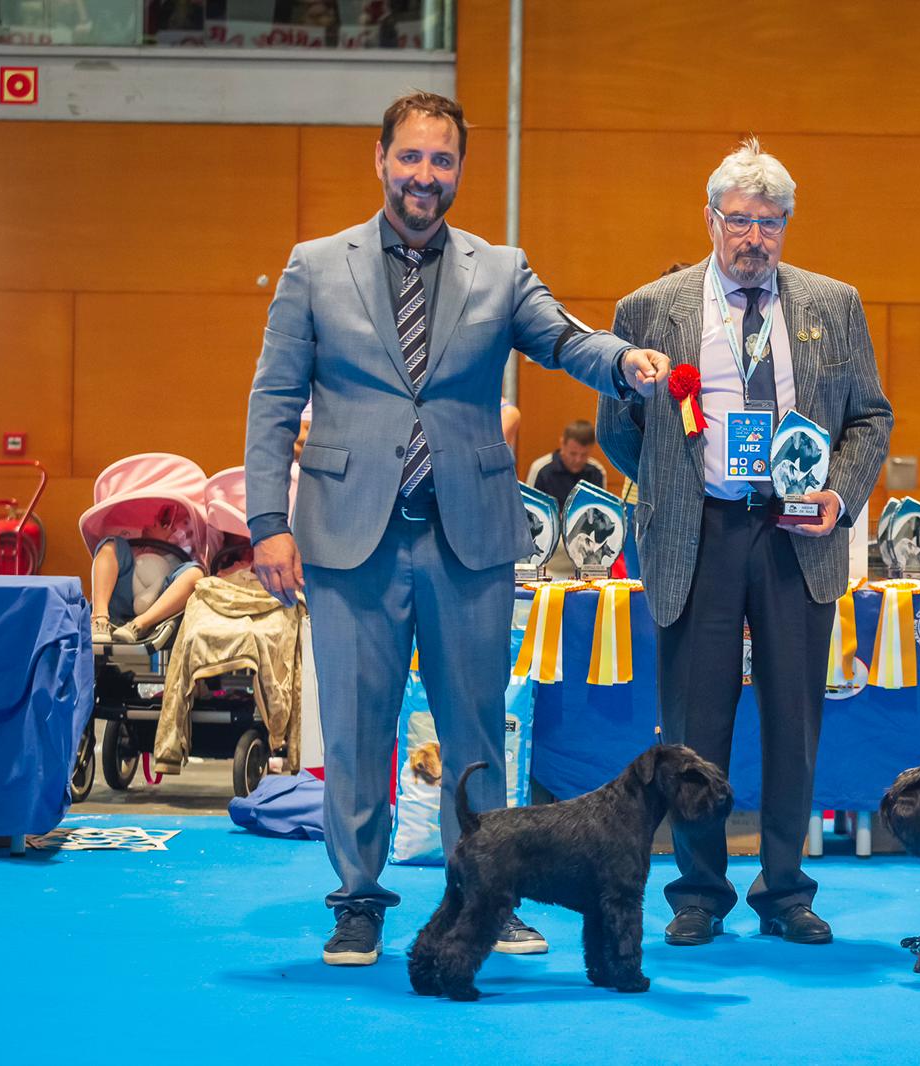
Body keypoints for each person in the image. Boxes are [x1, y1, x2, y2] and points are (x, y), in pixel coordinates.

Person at [244, 91, 669, 967]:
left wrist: (623, 361)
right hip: (348, 538)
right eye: (410, 156)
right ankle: (358, 901)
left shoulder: (500, 269)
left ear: (460, 170)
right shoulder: (314, 267)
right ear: (381, 159)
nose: (424, 175)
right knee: (356, 733)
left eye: (442, 160)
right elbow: (273, 401)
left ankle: (489, 894)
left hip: (466, 540)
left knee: (475, 734)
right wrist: (267, 522)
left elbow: (565, 340)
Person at [598, 137, 892, 946]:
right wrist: (675, 482)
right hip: (700, 532)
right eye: (738, 220)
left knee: (794, 721)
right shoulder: (649, 309)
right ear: (710, 220)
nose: (754, 237)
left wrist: (839, 492)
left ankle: (786, 891)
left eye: (770, 222)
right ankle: (698, 893)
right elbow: (617, 429)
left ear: (787, 224)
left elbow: (871, 416)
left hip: (797, 532)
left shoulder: (834, 305)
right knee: (695, 724)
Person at [89, 503, 206, 644]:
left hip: (160, 602)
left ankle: (140, 624)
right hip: (123, 596)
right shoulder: (131, 550)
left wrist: (166, 544)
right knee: (110, 545)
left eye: (161, 523)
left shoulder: (181, 560)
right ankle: (99, 619)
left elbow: (192, 567)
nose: (149, 525)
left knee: (196, 573)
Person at [531, 419, 606, 511]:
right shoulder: (540, 469)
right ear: (562, 444)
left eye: (584, 455)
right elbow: (530, 510)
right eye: (573, 453)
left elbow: (601, 511)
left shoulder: (597, 471)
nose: (578, 460)